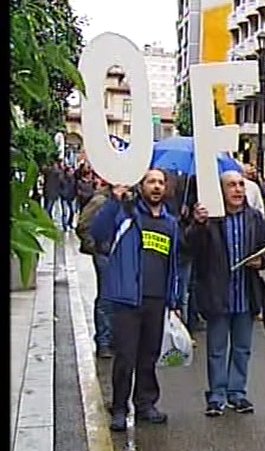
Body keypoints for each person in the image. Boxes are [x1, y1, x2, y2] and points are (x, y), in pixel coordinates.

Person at [89, 169, 181, 432]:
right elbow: (98, 231)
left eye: (160, 183)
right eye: (151, 181)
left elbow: (174, 263)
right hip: (127, 300)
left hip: (157, 299)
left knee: (148, 356)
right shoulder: (125, 214)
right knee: (125, 357)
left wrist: (174, 298)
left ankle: (145, 405)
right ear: (141, 186)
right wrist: (114, 201)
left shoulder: (170, 223)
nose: (156, 186)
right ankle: (119, 408)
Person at [187, 171, 265, 417]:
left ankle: (238, 393)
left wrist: (261, 260)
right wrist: (198, 224)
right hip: (218, 293)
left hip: (245, 293)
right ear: (222, 191)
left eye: (241, 185)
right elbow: (191, 248)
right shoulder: (211, 219)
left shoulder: (255, 218)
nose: (237, 190)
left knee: (242, 347)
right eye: (232, 185)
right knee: (217, 348)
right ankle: (216, 395)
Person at [75, 179, 114, 358]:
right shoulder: (101, 201)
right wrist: (95, 247)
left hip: (119, 255)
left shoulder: (130, 202)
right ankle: (103, 341)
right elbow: (82, 225)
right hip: (105, 254)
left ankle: (111, 337)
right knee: (106, 298)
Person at [59, 166, 77, 231]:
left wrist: (75, 195)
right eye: (70, 171)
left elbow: (75, 187)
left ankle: (70, 222)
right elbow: (59, 188)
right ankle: (65, 225)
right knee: (65, 212)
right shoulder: (62, 179)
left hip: (71, 197)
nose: (72, 173)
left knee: (72, 211)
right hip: (64, 198)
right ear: (67, 172)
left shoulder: (73, 179)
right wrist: (62, 194)